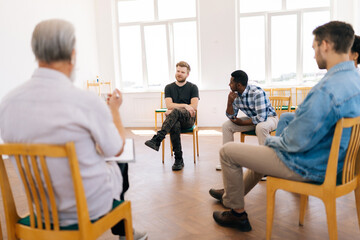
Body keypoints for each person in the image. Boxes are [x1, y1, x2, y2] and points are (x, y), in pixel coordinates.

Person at [0, 19, 147, 240]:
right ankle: (123, 230)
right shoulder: (85, 100)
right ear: (72, 54)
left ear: (36, 52)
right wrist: (114, 110)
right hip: (87, 209)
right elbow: (115, 149)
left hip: (42, 209)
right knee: (121, 160)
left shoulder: (7, 103)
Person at [209, 20, 360, 232]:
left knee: (228, 151)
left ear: (325, 45)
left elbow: (294, 142)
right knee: (262, 154)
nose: (314, 54)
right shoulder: (355, 79)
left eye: (314, 48)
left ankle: (237, 214)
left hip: (311, 167)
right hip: (340, 166)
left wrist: (272, 141)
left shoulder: (326, 89)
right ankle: (230, 196)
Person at [215, 70, 278, 171]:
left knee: (261, 127)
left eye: (231, 82)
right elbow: (231, 116)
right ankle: (227, 161)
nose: (229, 84)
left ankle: (267, 166)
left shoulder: (257, 93)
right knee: (226, 126)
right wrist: (229, 102)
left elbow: (261, 118)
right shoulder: (235, 95)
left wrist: (242, 122)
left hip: (269, 118)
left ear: (238, 85)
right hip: (252, 120)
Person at [145, 61, 199, 171]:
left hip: (188, 118)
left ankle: (158, 139)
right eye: (178, 71)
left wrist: (176, 109)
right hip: (174, 120)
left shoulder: (193, 87)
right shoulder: (169, 87)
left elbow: (193, 107)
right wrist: (185, 105)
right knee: (175, 124)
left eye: (182, 72)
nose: (179, 73)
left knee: (174, 112)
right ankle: (178, 160)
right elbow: (168, 105)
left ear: (187, 74)